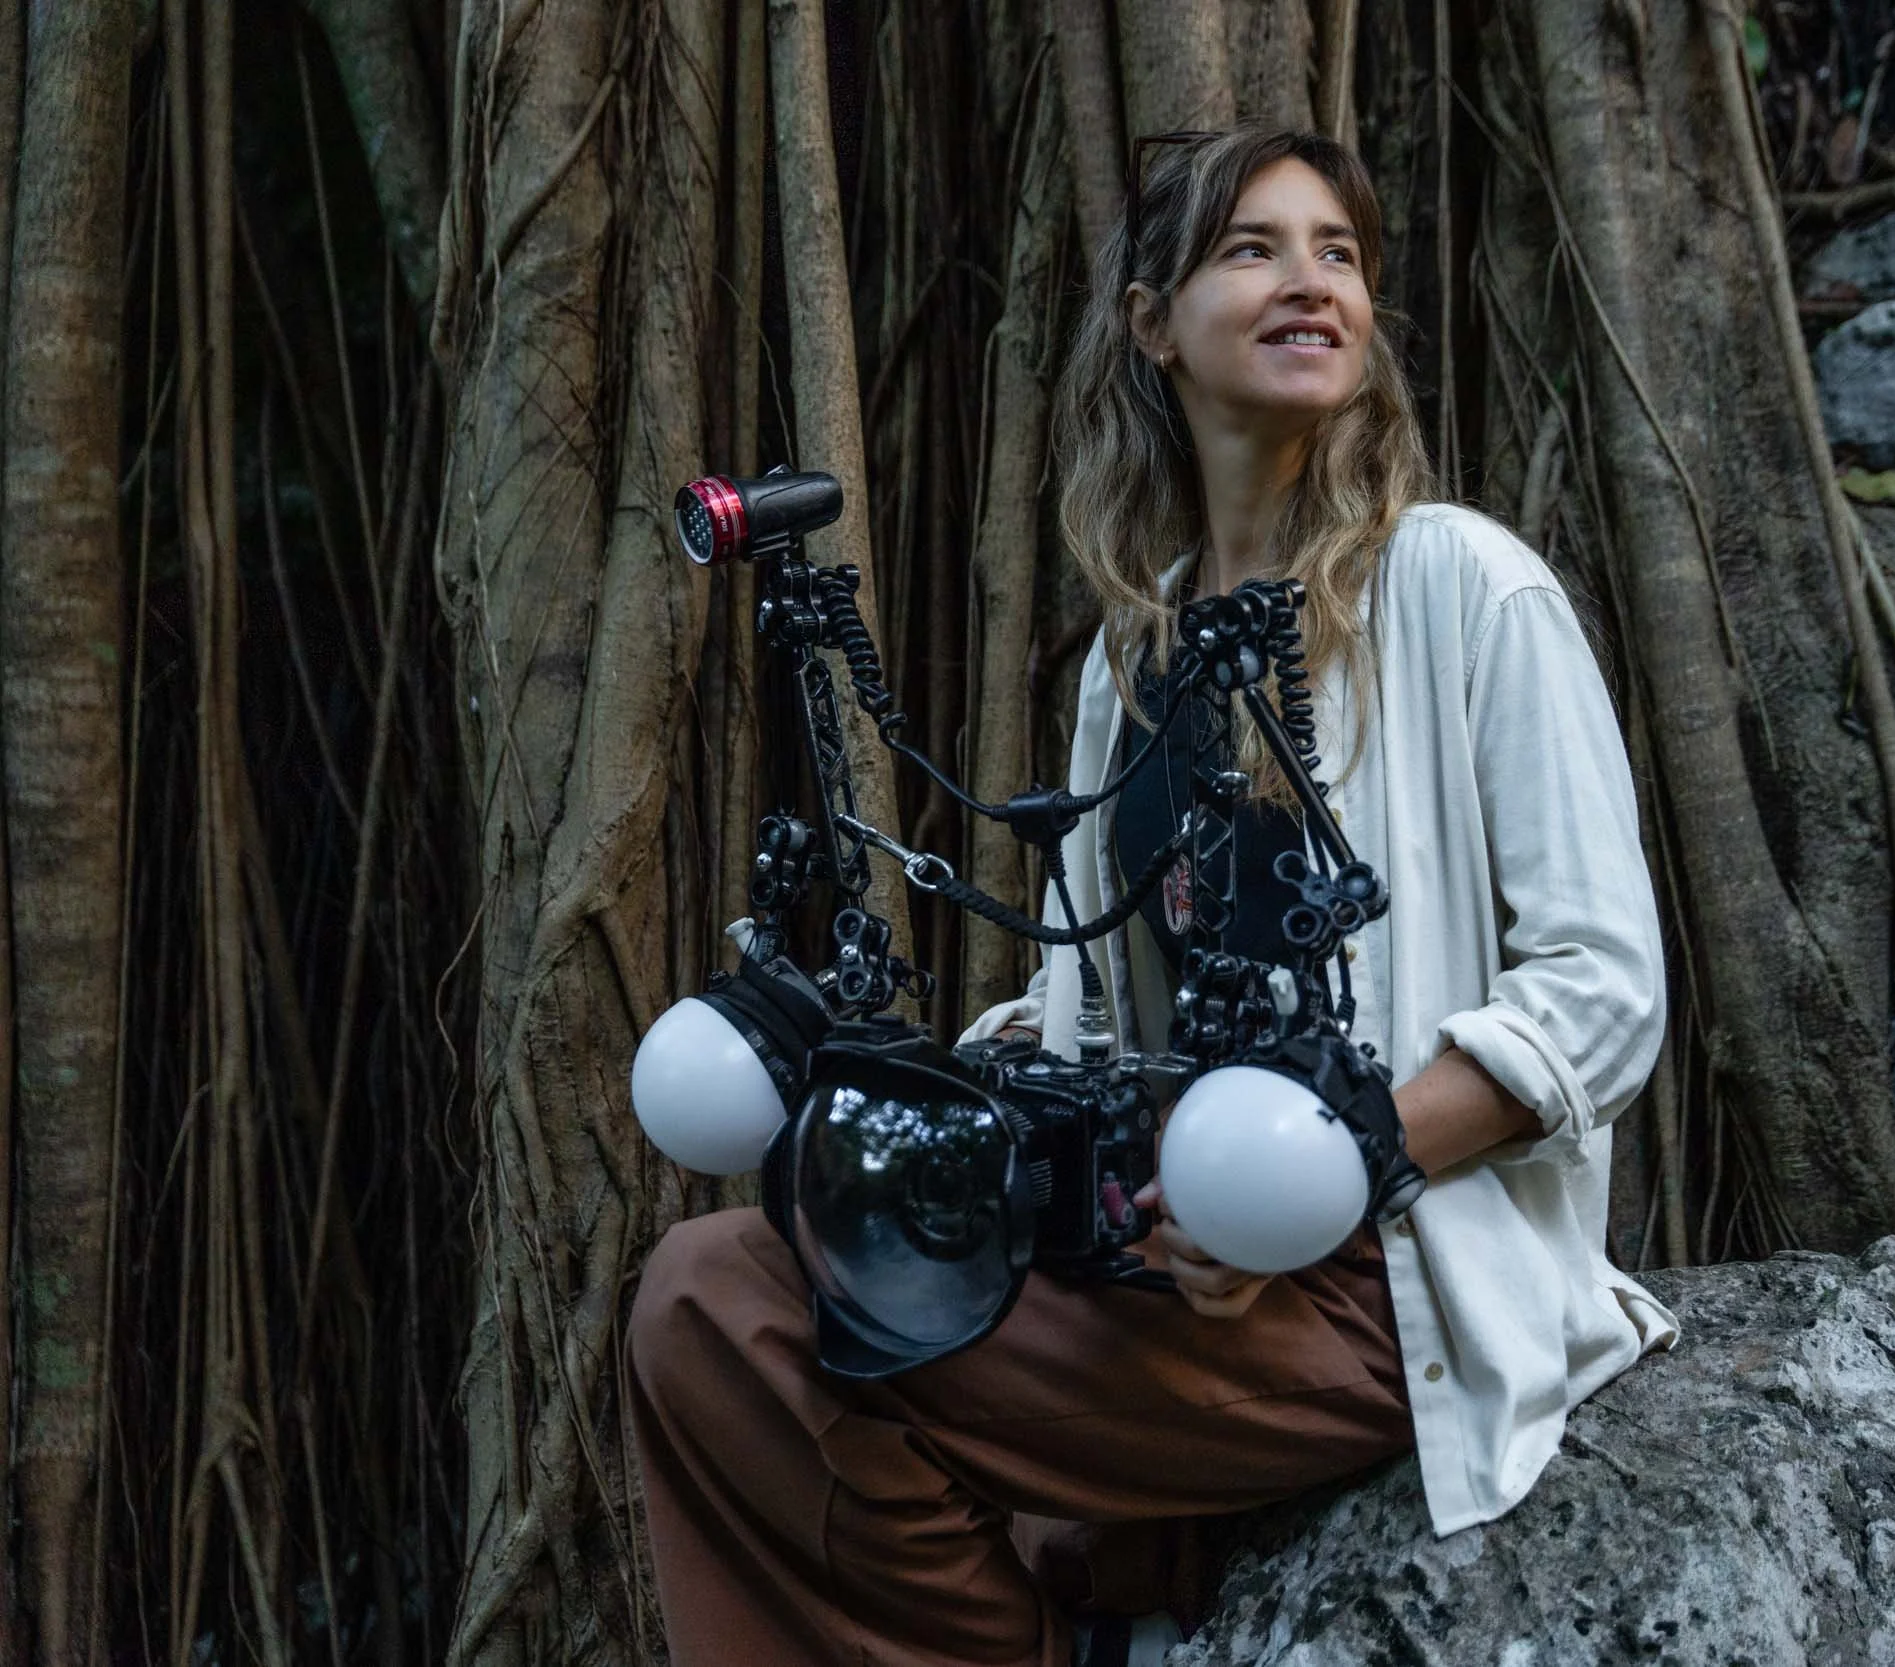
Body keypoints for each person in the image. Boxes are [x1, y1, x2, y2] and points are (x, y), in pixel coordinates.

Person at [625, 125, 1676, 1667]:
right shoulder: (1139, 662)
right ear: (1149, 323)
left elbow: (1602, 988)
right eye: (1253, 248)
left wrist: (1335, 1165)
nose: (1311, 281)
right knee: (725, 1274)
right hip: (1171, 1258)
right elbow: (1094, 1013)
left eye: (1340, 252)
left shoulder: (1467, 587)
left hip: (1388, 1276)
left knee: (738, 1322)